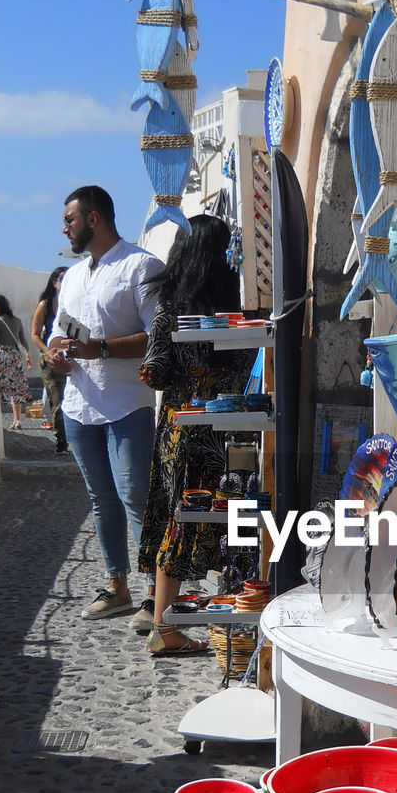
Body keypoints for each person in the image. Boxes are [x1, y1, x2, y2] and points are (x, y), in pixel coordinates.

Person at [44, 185, 164, 623]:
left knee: (136, 497)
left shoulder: (142, 266)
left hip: (127, 403)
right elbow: (59, 330)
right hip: (79, 404)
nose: (64, 227)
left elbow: (158, 336)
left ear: (94, 219)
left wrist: (103, 350)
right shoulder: (73, 276)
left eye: (70, 219)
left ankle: (156, 592)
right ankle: (117, 586)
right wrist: (56, 351)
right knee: (101, 499)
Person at [139, 214, 254, 656]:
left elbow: (154, 371)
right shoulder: (236, 306)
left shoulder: (170, 303)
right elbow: (248, 368)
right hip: (236, 428)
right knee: (238, 511)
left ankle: (163, 622)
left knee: (181, 516)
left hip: (181, 427)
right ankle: (241, 606)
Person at [30, 266, 69, 453]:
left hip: (72, 356)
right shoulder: (45, 305)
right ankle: (62, 439)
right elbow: (35, 334)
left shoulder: (73, 301)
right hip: (50, 358)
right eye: (62, 278)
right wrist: (48, 350)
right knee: (57, 399)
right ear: (54, 282)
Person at [0, 294, 33, 430]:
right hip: (16, 356)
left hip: (3, 356)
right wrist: (28, 356)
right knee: (16, 388)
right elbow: (23, 341)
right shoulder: (17, 321)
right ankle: (17, 420)